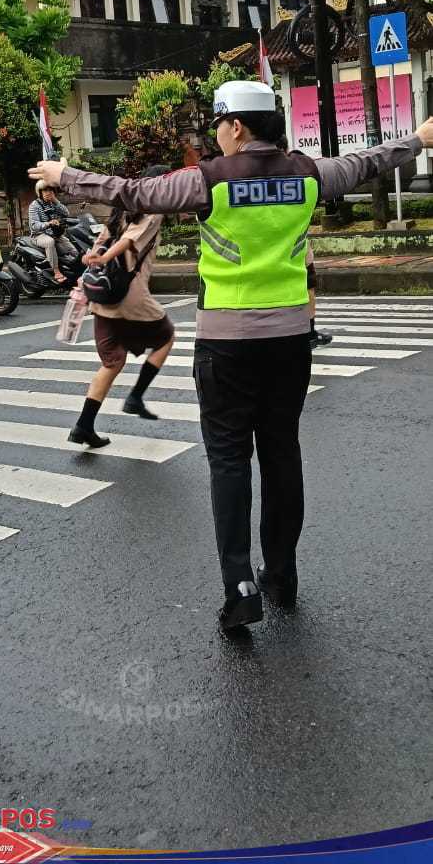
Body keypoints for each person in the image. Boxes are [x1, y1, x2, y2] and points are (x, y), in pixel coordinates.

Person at [29, 84, 433, 633]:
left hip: (227, 344)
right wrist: (417, 139)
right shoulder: (307, 175)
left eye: (217, 124)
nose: (214, 135)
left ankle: (239, 585)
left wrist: (65, 175)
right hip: (290, 340)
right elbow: (365, 163)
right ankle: (283, 573)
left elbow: (134, 192)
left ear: (236, 126)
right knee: (281, 452)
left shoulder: (209, 180)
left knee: (227, 460)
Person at [68, 167, 175, 449]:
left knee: (112, 362)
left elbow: (103, 239)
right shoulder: (152, 210)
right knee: (166, 336)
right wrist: (102, 259)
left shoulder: (121, 208)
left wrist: (93, 256)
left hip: (102, 297)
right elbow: (129, 241)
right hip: (128, 295)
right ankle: (136, 396)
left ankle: (83, 425)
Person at [28, 181, 78, 284]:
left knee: (73, 251)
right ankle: (56, 271)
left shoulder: (53, 203)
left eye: (50, 190)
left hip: (55, 234)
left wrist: (55, 201)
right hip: (39, 235)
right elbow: (34, 225)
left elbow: (66, 213)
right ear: (40, 192)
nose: (48, 193)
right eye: (45, 190)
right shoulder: (34, 205)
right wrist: (48, 224)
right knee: (49, 242)